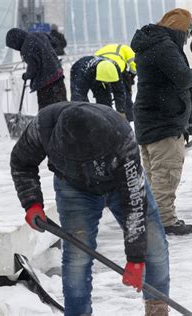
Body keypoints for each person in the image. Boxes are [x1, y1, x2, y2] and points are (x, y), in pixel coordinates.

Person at [10, 101, 170, 316]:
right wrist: (32, 202)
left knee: (154, 246)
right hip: (73, 188)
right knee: (77, 258)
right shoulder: (43, 127)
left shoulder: (121, 137)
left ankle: (157, 309)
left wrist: (135, 258)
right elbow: (21, 162)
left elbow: (134, 202)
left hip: (120, 185)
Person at [131, 8, 192, 235]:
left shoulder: (151, 44)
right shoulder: (164, 47)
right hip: (164, 121)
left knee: (153, 175)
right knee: (166, 174)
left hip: (149, 118)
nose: (188, 39)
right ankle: (164, 222)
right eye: (188, 33)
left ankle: (152, 219)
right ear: (181, 29)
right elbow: (183, 78)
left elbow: (173, 77)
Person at [5, 28, 67, 110]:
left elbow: (33, 68)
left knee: (45, 110)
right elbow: (54, 42)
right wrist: (46, 53)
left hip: (46, 83)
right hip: (58, 75)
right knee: (63, 105)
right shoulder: (38, 34)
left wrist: (26, 76)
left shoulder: (26, 48)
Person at [95, 44, 137, 121]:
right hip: (118, 70)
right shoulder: (126, 49)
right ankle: (128, 117)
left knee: (104, 96)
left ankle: (106, 117)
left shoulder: (100, 51)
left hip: (100, 72)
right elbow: (134, 65)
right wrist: (131, 76)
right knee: (123, 94)